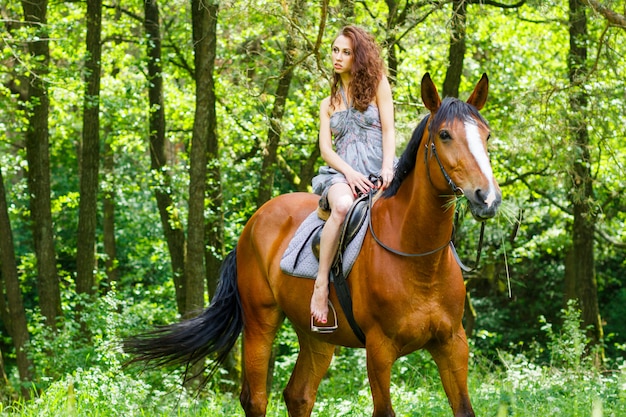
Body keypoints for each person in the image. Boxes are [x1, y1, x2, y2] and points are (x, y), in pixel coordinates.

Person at [310, 25, 396, 328]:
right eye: (335, 50)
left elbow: (388, 130)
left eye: (345, 52)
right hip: (340, 174)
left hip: (379, 168)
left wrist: (388, 168)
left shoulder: (377, 85)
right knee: (343, 207)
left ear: (357, 56)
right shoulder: (327, 104)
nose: (337, 56)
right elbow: (325, 150)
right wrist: (349, 173)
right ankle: (321, 286)